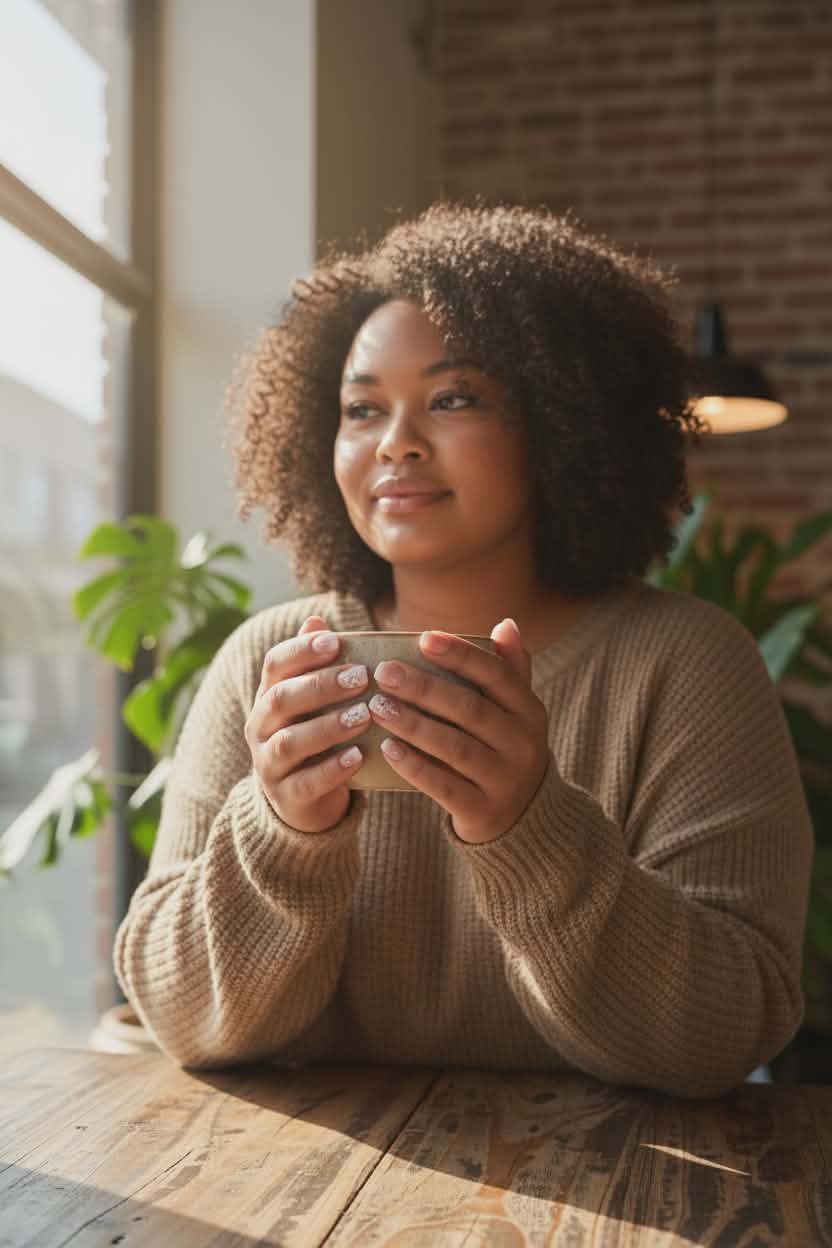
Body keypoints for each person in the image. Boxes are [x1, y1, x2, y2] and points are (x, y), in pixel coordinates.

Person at [114, 202, 813, 1097]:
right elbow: (178, 1019)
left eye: (453, 398)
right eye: (362, 408)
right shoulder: (269, 663)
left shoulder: (686, 665)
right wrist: (285, 830)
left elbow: (731, 1027)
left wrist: (529, 827)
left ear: (564, 424)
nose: (395, 442)